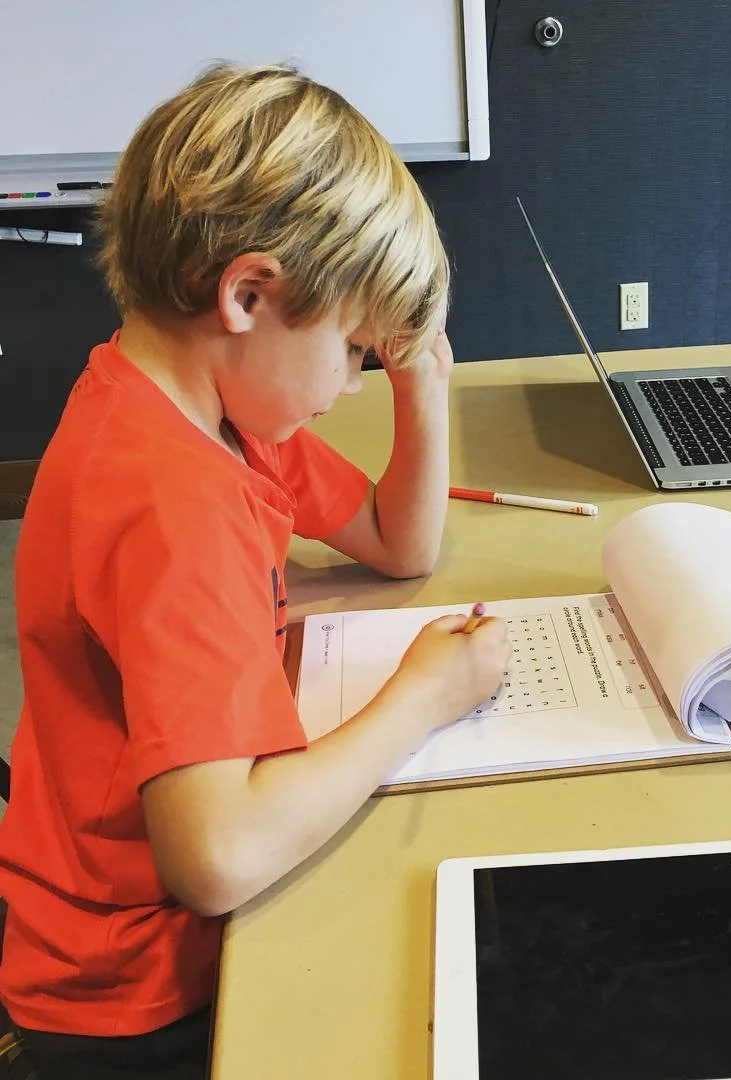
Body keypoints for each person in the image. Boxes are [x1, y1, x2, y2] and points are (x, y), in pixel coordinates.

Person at [0, 63, 510, 1079]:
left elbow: (397, 543)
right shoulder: (175, 500)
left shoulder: (203, 414)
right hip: (131, 996)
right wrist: (421, 699)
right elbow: (218, 858)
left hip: (109, 926)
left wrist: (422, 382)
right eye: (355, 350)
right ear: (247, 295)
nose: (353, 382)